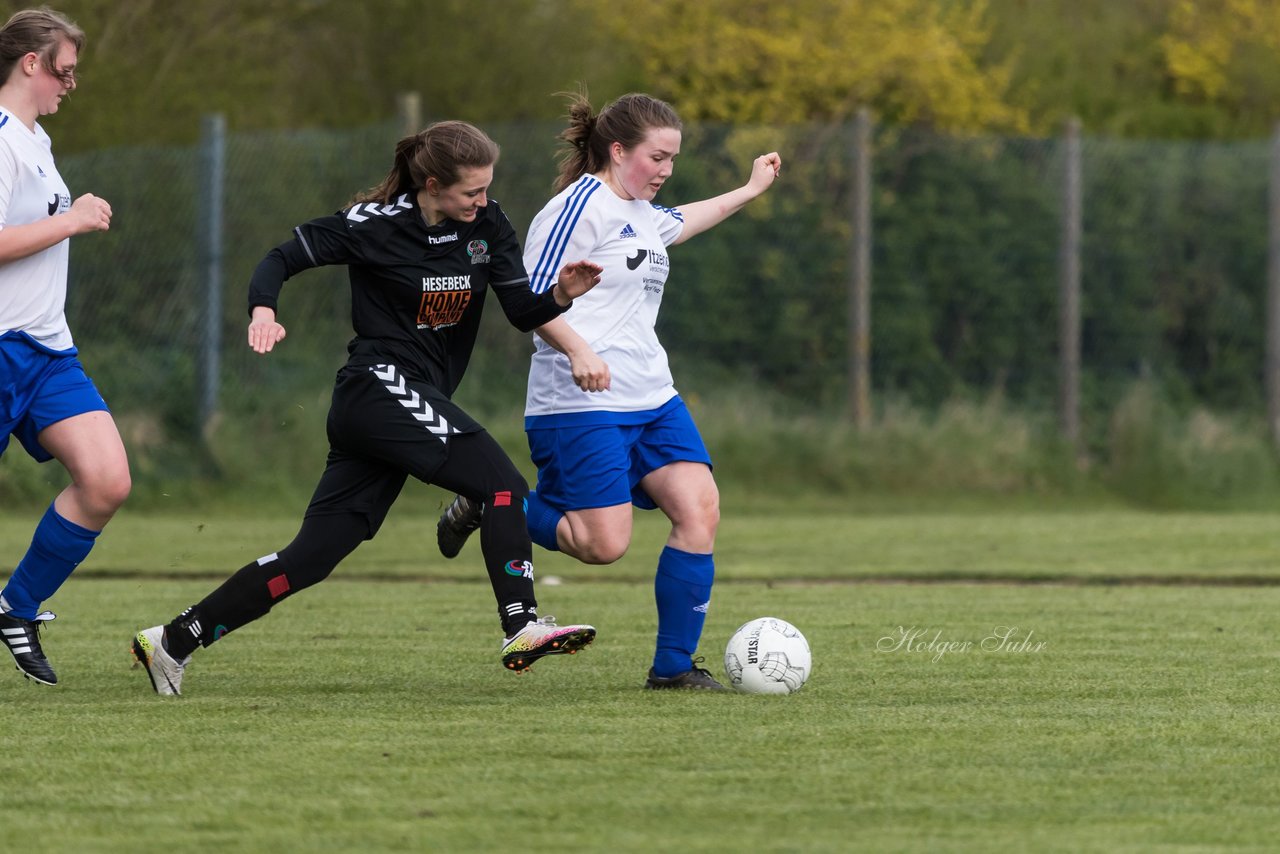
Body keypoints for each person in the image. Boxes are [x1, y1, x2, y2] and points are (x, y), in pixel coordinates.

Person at [131, 120, 603, 696]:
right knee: (501, 486)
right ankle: (521, 625)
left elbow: (520, 310)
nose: (482, 202)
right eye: (470, 192)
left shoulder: (489, 224)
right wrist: (262, 310)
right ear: (431, 184)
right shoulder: (373, 225)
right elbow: (280, 258)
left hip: (396, 408)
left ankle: (172, 640)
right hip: (377, 387)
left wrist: (559, 297)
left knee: (311, 558)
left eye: (486, 189)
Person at [438, 93, 781, 690]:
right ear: (619, 151)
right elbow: (529, 300)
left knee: (699, 510)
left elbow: (687, 219)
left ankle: (672, 670)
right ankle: (493, 501)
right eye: (658, 157)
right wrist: (579, 350)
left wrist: (749, 191)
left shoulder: (646, 213)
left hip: (652, 397)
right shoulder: (576, 209)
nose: (666, 170)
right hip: (579, 398)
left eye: (673, 158)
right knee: (601, 546)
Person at [0, 8, 124, 686]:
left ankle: (17, 608)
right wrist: (71, 220)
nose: (69, 84)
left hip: (47, 352)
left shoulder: (36, 140)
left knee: (106, 480)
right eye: (64, 71)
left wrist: (72, 212)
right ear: (29, 63)